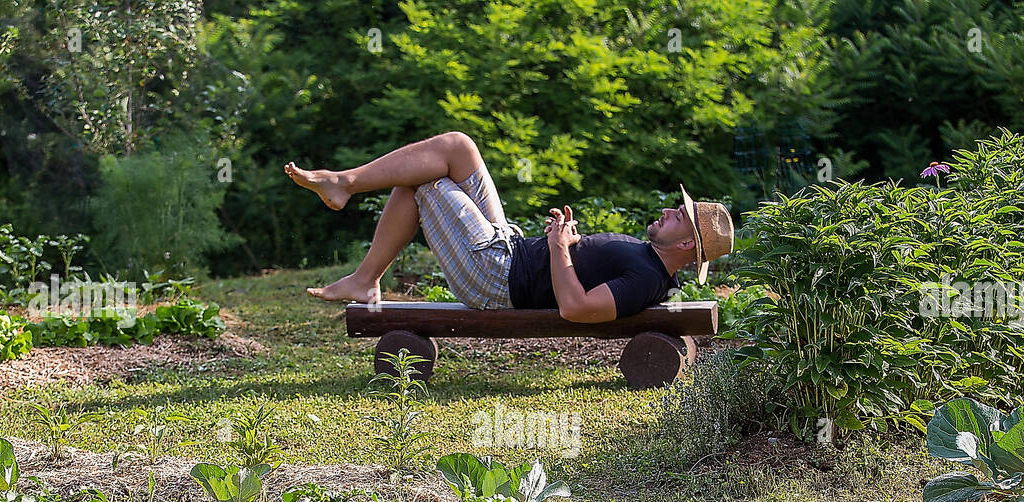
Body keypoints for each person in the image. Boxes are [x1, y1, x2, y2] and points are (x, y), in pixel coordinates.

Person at [285, 131, 734, 322]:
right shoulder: (648, 259)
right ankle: (363, 270)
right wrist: (567, 238)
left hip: (495, 277)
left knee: (420, 181)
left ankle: (345, 195)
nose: (671, 212)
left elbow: (575, 308)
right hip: (510, 249)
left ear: (689, 242)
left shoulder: (646, 279)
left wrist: (559, 247)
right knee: (458, 148)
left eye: (681, 216)